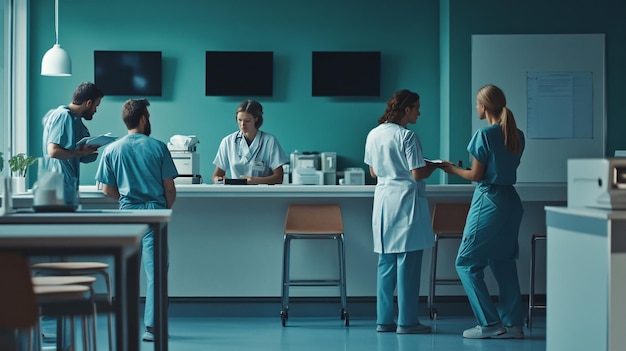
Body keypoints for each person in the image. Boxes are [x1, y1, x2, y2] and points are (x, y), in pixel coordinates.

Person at [441, 84, 525, 339]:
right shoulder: (517, 134)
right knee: (503, 263)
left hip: (490, 200)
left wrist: (450, 169)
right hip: (511, 200)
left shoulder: (484, 135)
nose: (476, 108)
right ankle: (514, 325)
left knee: (465, 263)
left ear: (484, 107)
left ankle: (489, 323)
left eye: (477, 104)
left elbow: (476, 175)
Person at [95, 99, 178, 342]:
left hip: (128, 213)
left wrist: (126, 199)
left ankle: (124, 321)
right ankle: (152, 327)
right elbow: (170, 189)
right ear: (143, 118)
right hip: (154, 213)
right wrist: (163, 208)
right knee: (156, 272)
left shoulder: (112, 149)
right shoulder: (159, 147)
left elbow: (106, 190)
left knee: (127, 271)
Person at [364, 89, 441, 334]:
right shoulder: (408, 136)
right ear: (406, 109)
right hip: (406, 202)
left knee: (386, 263)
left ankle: (384, 321)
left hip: (384, 202)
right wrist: (436, 167)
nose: (419, 112)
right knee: (407, 264)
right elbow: (417, 173)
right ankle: (407, 322)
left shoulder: (374, 134)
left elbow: (373, 172)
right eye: (416, 107)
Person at [42, 81, 104, 205]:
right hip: (59, 190)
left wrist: (87, 153)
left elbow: (73, 154)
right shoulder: (62, 116)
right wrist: (80, 152)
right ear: (88, 103)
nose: (95, 110)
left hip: (69, 189)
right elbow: (53, 151)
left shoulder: (76, 121)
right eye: (96, 106)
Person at [212, 99, 288, 185]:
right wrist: (218, 180)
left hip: (263, 194)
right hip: (236, 194)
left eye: (247, 121)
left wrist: (255, 180)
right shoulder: (228, 141)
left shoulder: (269, 141)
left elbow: (278, 178)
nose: (242, 125)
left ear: (256, 119)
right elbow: (216, 175)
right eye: (239, 120)